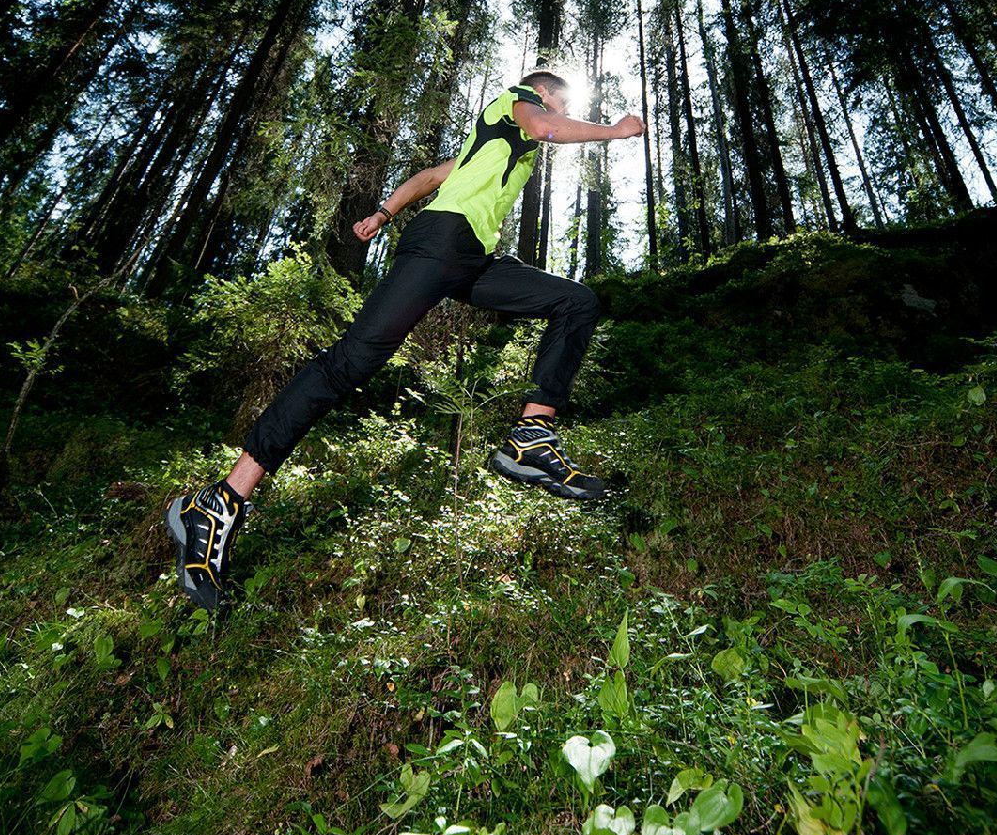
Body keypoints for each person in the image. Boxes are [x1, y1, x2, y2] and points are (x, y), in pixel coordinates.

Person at [164, 70, 646, 611]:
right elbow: (544, 125)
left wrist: (384, 212)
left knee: (575, 301)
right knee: (347, 366)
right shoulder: (521, 103)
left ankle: (531, 436)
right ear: (546, 93)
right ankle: (217, 503)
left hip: (469, 258)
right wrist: (614, 130)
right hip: (442, 244)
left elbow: (430, 175)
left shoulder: (486, 143)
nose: (553, 111)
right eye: (558, 101)